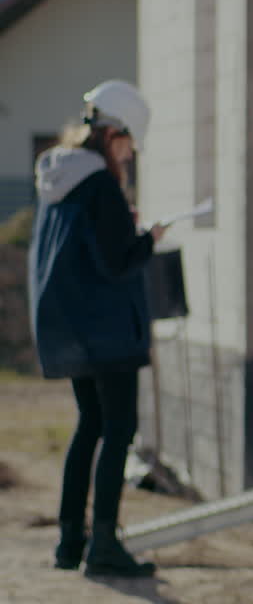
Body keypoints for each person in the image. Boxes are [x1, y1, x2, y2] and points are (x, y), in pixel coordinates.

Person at [28, 80, 166, 578]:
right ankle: (103, 546)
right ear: (114, 135)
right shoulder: (101, 185)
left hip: (71, 326)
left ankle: (70, 543)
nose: (130, 157)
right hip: (107, 330)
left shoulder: (58, 178)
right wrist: (147, 239)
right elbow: (116, 262)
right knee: (118, 428)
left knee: (89, 426)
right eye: (129, 146)